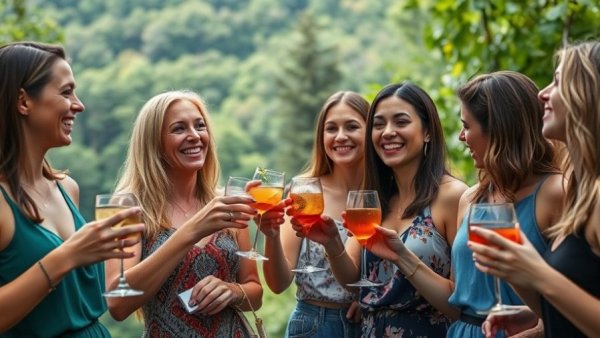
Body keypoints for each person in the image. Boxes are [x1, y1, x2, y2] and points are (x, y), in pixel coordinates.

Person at [365, 72, 564, 338]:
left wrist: (541, 330)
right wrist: (401, 255)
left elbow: (579, 290)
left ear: (499, 128)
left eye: (467, 126)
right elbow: (457, 304)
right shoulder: (471, 198)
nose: (461, 136)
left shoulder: (555, 192)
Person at [294, 82, 467, 337]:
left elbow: (461, 305)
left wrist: (402, 257)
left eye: (401, 122)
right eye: (378, 124)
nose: (387, 132)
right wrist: (332, 243)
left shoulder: (453, 196)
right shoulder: (377, 199)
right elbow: (352, 280)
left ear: (428, 131)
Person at [0, 41, 144, 337]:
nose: (79, 105)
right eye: (66, 92)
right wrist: (68, 256)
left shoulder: (68, 188)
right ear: (24, 101)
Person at [104, 90, 261, 337]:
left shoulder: (225, 202)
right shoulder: (128, 206)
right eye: (179, 129)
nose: (195, 136)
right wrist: (190, 232)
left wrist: (232, 291)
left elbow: (254, 290)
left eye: (200, 126)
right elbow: (118, 303)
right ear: (153, 142)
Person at [470, 42, 600, 338]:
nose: (543, 93)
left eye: (557, 81)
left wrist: (539, 275)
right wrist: (531, 301)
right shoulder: (584, 190)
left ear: (589, 94)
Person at [259, 91, 369, 337]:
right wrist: (272, 235)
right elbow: (278, 284)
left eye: (352, 126)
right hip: (314, 324)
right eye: (331, 129)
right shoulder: (304, 191)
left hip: (371, 325)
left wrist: (371, 299)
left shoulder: (384, 197)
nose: (341, 136)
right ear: (321, 137)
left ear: (370, 131)